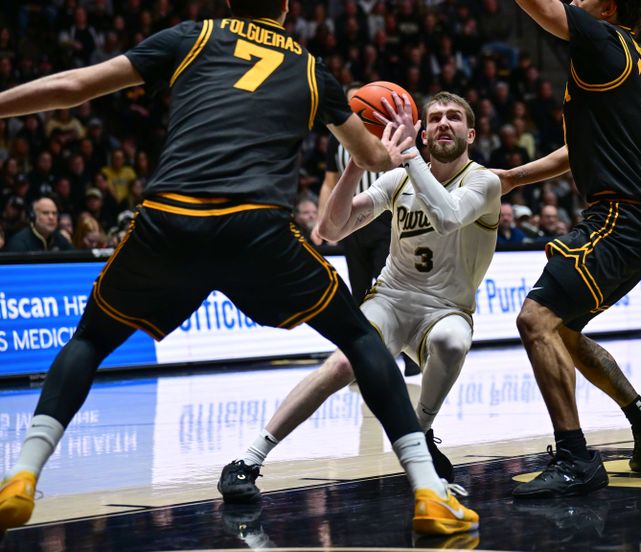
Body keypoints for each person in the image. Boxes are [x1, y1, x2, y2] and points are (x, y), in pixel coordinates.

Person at [0, 1, 475, 536]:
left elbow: (76, 86)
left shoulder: (193, 36)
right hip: (256, 227)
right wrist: (393, 148)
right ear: (289, 7)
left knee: (89, 340)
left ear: (228, 2)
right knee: (361, 340)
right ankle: (429, 493)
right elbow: (367, 157)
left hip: (170, 218)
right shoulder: (310, 68)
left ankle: (22, 474)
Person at [218, 91, 500, 498]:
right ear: (423, 133)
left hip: (446, 307)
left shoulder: (483, 181)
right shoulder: (398, 179)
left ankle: (419, 433)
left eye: (453, 117)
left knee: (452, 341)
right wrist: (356, 163)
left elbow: (447, 217)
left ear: (469, 133)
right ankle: (248, 459)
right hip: (392, 298)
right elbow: (332, 230)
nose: (443, 123)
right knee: (338, 367)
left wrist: (407, 155)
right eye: (434, 116)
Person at [494, 0, 641, 498]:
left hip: (621, 216)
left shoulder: (601, 38)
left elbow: (545, 10)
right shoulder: (622, 53)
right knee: (563, 330)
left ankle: (575, 457)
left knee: (535, 320)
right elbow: (580, 150)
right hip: (637, 219)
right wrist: (514, 177)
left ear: (611, 5)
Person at [316, 82, 422, 377]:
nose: (353, 113)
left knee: (388, 288)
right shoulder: (336, 142)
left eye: (358, 106)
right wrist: (320, 221)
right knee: (359, 290)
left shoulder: (383, 136)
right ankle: (365, 355)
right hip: (350, 220)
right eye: (350, 107)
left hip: (384, 216)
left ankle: (410, 355)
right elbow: (329, 182)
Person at [4, 196, 74, 252]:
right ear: (33, 216)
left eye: (54, 213)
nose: (51, 217)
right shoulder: (18, 244)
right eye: (45, 213)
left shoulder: (60, 238)